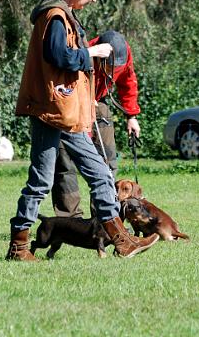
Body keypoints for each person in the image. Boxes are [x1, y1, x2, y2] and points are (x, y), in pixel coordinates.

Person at [7, 0, 159, 261]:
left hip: (66, 112)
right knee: (40, 181)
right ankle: (19, 247)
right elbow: (58, 56)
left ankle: (122, 242)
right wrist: (92, 52)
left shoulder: (63, 14)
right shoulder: (54, 15)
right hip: (54, 111)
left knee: (101, 174)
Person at [51, 29, 140, 218]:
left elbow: (128, 81)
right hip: (70, 105)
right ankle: (70, 220)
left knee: (108, 162)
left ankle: (105, 217)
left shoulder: (124, 52)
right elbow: (62, 80)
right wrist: (84, 100)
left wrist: (131, 115)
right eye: (109, 67)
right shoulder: (85, 50)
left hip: (99, 102)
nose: (112, 71)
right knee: (65, 163)